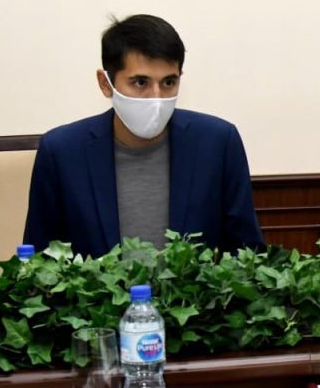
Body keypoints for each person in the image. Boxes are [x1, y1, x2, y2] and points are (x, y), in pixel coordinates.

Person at [24, 14, 264, 258]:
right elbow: (40, 262)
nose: (156, 97)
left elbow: (247, 255)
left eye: (168, 82)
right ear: (105, 83)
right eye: (140, 82)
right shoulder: (62, 152)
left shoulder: (218, 144)